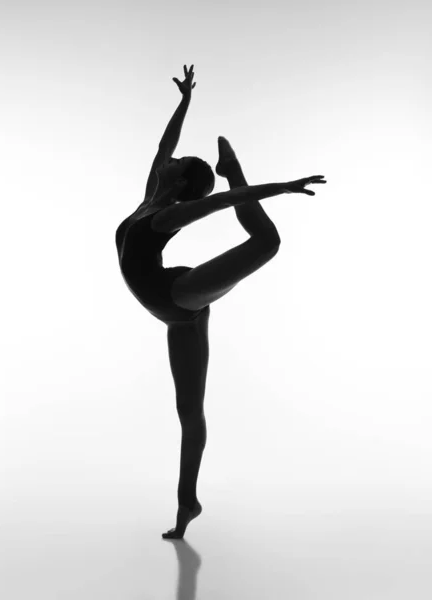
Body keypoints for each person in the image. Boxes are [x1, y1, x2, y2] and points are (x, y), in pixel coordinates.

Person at [115, 65, 327, 539]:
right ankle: (187, 503)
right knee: (189, 411)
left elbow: (223, 204)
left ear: (180, 183)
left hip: (180, 295)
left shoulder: (169, 213)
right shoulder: (153, 194)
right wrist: (185, 101)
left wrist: (283, 187)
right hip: (173, 308)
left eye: (177, 162)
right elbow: (162, 146)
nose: (169, 160)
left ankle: (233, 169)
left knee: (267, 242)